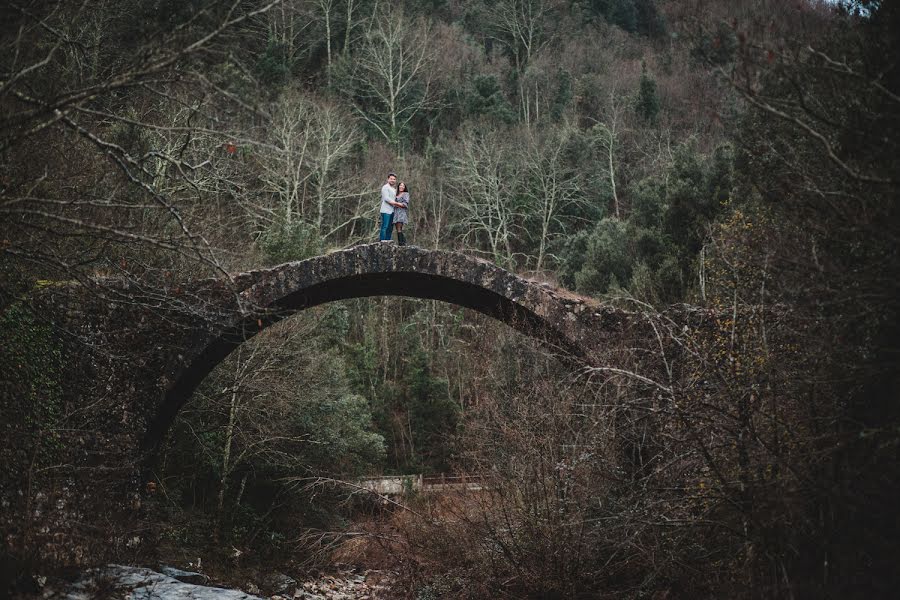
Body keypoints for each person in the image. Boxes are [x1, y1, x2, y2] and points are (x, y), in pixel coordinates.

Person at [378, 172, 402, 242]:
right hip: (385, 210)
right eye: (391, 179)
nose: (392, 180)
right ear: (388, 179)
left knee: (390, 228)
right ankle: (382, 241)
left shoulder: (394, 189)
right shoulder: (385, 187)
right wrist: (396, 204)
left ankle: (388, 241)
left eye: (394, 179)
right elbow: (386, 198)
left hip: (392, 211)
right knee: (384, 226)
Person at [393, 182, 410, 246]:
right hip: (396, 212)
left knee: (399, 227)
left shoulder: (405, 194)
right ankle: (403, 242)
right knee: (397, 228)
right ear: (398, 186)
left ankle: (401, 243)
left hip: (401, 212)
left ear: (405, 187)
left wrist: (395, 203)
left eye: (403, 186)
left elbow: (405, 204)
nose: (401, 187)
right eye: (400, 185)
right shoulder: (396, 194)